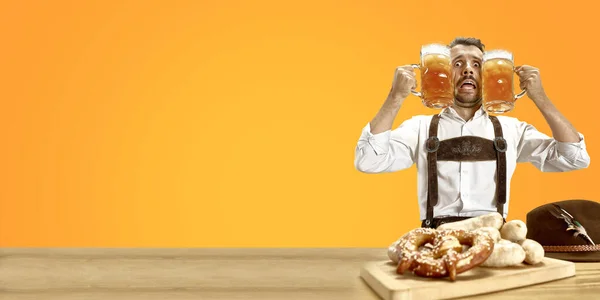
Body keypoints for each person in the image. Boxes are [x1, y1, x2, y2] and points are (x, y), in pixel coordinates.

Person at [354, 37, 590, 229]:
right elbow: (368, 160)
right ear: (443, 73)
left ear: (486, 74)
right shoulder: (420, 127)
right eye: (458, 63)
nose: (468, 70)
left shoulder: (511, 129)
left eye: (476, 64)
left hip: (495, 238)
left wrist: (540, 97)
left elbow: (574, 158)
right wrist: (395, 97)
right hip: (435, 239)